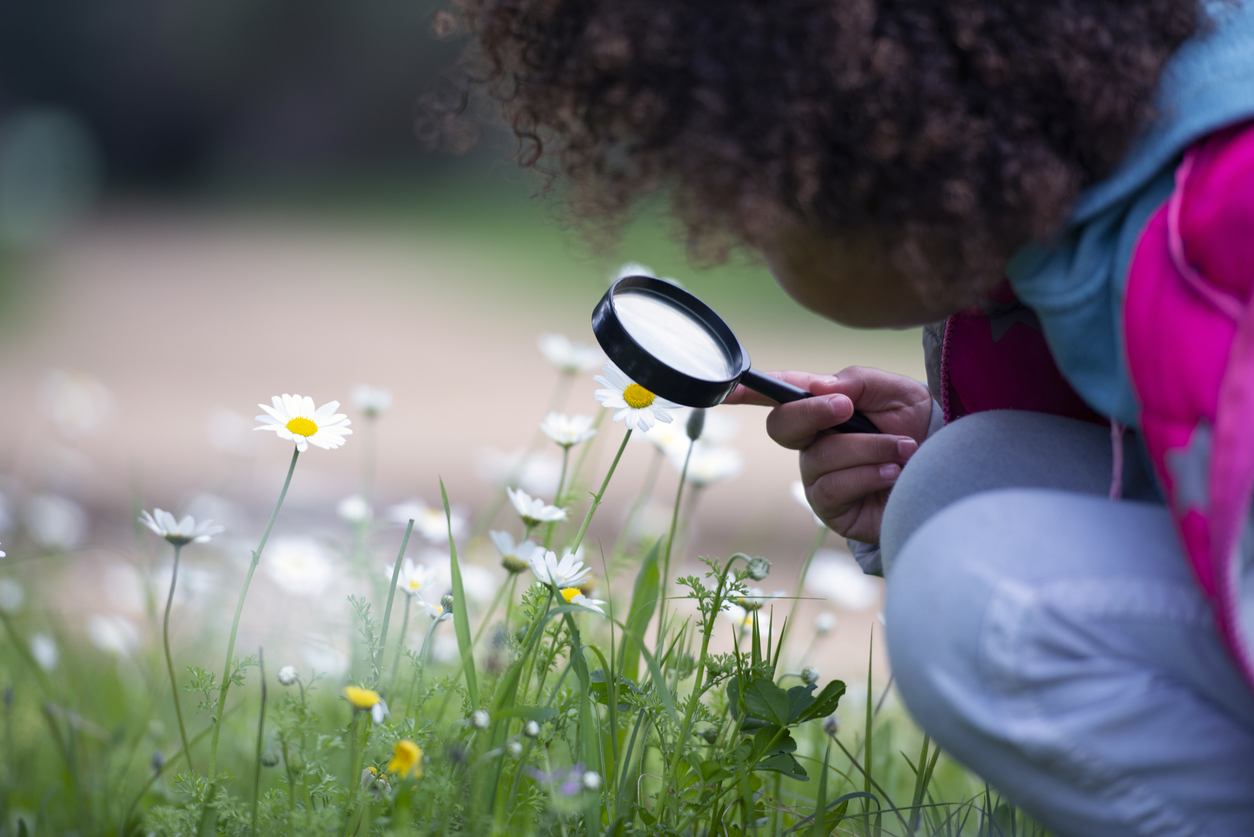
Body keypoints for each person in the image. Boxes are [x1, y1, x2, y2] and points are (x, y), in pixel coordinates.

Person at [454, 1, 1254, 833]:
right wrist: (932, 440)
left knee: (979, 595)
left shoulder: (1224, 243)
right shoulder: (1085, 177)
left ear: (863, 138)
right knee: (959, 480)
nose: (736, 228)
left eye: (747, 188)